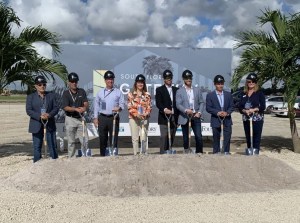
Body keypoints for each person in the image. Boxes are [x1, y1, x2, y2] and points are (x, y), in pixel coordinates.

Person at [26, 75, 59, 162]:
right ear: (36, 86)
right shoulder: (30, 97)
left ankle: (55, 164)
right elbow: (28, 110)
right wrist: (39, 116)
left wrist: (49, 115)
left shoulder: (51, 95)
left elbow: (56, 108)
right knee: (37, 146)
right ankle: (37, 165)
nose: (42, 86)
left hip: (49, 124)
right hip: (36, 124)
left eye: (44, 84)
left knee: (52, 145)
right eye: (40, 84)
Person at [93, 71, 124, 156]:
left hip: (114, 117)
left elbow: (122, 104)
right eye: (108, 79)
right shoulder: (100, 92)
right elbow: (96, 105)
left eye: (111, 79)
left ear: (113, 80)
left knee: (114, 138)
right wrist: (95, 118)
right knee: (102, 138)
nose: (110, 81)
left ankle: (113, 156)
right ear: (105, 80)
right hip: (102, 118)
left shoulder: (118, 92)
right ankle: (102, 156)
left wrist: (119, 108)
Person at [176, 70, 204, 154]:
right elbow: (178, 104)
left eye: (190, 78)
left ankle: (199, 153)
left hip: (195, 116)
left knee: (198, 136)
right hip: (185, 117)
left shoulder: (197, 90)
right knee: (185, 138)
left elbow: (201, 102)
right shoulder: (179, 91)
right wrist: (185, 110)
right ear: (183, 79)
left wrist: (199, 112)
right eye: (186, 78)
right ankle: (186, 152)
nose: (188, 79)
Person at [62, 72, 89, 157]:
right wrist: (75, 109)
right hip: (70, 119)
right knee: (71, 141)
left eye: (76, 81)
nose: (74, 83)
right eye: (72, 81)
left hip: (81, 118)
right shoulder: (66, 93)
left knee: (85, 140)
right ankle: (71, 158)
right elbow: (65, 107)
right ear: (69, 82)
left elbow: (86, 103)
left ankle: (85, 156)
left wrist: (84, 108)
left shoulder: (81, 91)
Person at [206, 75, 234, 154]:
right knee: (216, 138)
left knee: (227, 137)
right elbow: (208, 108)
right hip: (216, 120)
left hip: (227, 120)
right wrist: (217, 112)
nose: (220, 85)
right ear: (214, 84)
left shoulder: (228, 95)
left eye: (221, 83)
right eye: (218, 83)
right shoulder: (210, 95)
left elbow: (232, 106)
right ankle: (216, 152)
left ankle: (225, 152)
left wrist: (227, 112)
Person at [239, 73, 266, 154]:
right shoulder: (243, 93)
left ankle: (255, 151)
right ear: (247, 82)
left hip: (257, 118)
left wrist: (254, 109)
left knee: (256, 136)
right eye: (249, 81)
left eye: (253, 81)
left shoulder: (259, 93)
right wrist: (245, 111)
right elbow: (240, 106)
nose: (251, 83)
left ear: (256, 82)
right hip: (246, 118)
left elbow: (263, 106)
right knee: (248, 136)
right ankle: (249, 151)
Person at [155, 70, 179, 154]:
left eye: (170, 78)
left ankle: (169, 150)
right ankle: (162, 152)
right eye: (167, 78)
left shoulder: (176, 90)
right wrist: (165, 109)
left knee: (172, 135)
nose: (169, 79)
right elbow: (158, 103)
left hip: (174, 117)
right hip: (163, 117)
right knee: (164, 136)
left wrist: (176, 114)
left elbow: (179, 103)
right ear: (164, 79)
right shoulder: (159, 90)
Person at [127, 74, 152, 155]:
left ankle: (144, 153)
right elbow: (130, 107)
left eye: (142, 82)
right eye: (138, 82)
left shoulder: (147, 95)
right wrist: (137, 114)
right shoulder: (131, 94)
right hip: (134, 118)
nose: (140, 84)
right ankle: (136, 154)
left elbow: (149, 107)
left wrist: (146, 114)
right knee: (135, 138)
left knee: (144, 137)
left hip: (144, 118)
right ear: (136, 83)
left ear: (144, 84)